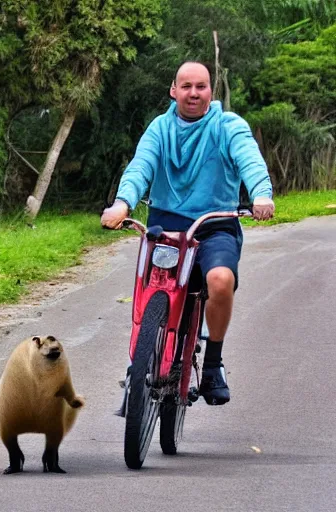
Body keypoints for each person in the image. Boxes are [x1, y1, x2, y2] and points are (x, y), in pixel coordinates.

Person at [101, 62, 274, 406]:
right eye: (186, 86)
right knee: (151, 289)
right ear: (173, 90)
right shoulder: (160, 129)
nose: (194, 93)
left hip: (215, 225)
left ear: (211, 91)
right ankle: (140, 362)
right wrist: (123, 203)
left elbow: (249, 160)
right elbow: (141, 165)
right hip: (166, 227)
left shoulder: (228, 126)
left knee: (220, 281)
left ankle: (212, 365)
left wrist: (261, 194)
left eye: (201, 87)